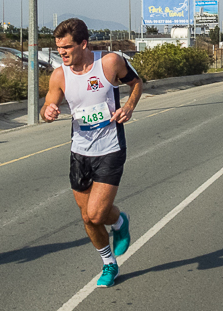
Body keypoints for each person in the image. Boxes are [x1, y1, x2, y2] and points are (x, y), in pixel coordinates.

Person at [41, 18, 143, 289]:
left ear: (83, 44)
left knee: (97, 215)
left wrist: (129, 107)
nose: (62, 53)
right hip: (80, 151)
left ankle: (119, 221)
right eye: (58, 48)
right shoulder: (59, 75)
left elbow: (136, 84)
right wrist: (47, 112)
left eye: (67, 48)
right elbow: (49, 105)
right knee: (87, 217)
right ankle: (109, 263)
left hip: (110, 148)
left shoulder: (109, 63)